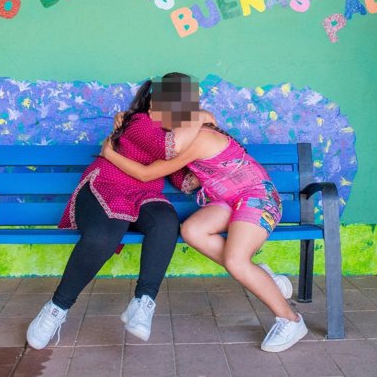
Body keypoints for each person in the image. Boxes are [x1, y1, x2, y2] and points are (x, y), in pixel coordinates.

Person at [26, 72, 213, 350]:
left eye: (183, 110)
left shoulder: (179, 135)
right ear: (152, 105)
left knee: (165, 221)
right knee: (106, 233)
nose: (177, 115)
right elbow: (167, 149)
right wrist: (202, 117)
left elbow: (177, 175)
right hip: (105, 186)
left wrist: (196, 175)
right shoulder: (136, 122)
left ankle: (143, 303)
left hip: (144, 195)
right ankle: (57, 308)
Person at [101, 113, 307, 353]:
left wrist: (108, 154)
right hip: (227, 200)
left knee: (236, 261)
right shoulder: (186, 132)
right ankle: (262, 277)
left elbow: (147, 173)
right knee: (192, 230)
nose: (158, 127)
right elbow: (154, 140)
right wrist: (125, 119)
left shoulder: (200, 137)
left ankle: (291, 320)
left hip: (256, 197)